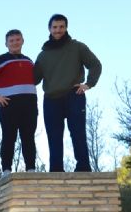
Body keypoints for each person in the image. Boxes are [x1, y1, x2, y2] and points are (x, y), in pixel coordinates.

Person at [34, 14, 102, 172]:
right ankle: (56, 170)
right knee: (54, 137)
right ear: (49, 29)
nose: (58, 30)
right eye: (55, 27)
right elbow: (33, 79)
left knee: (78, 133)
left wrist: (89, 84)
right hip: (51, 99)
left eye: (61, 27)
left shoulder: (77, 47)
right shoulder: (43, 55)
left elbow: (95, 64)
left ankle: (84, 168)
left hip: (74, 95)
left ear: (66, 28)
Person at [0, 29, 37, 175]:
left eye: (18, 40)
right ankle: (6, 170)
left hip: (29, 106)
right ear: (6, 44)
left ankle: (31, 168)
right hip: (9, 105)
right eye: (11, 41)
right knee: (9, 137)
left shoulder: (29, 61)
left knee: (28, 137)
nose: (15, 43)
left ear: (22, 41)